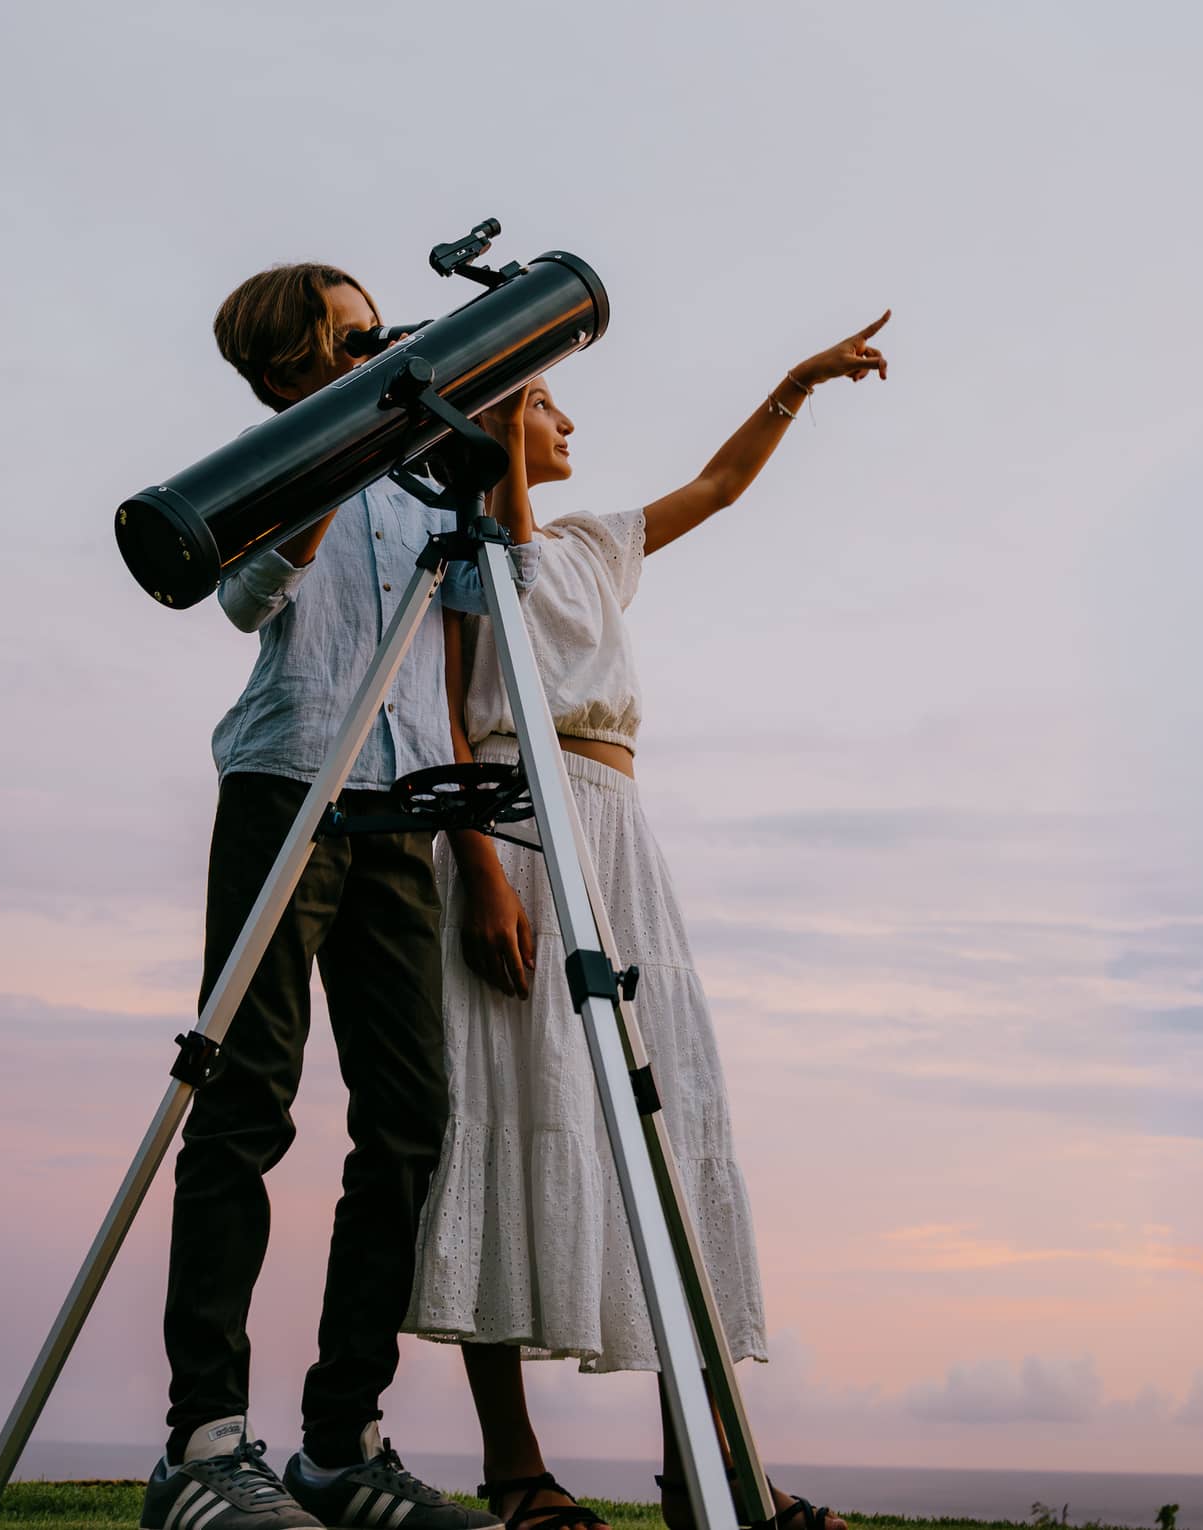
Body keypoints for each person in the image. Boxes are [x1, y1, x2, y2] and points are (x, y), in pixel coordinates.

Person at [405, 314, 892, 1530]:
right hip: (517, 818)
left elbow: (719, 489)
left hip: (621, 826)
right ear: (507, 418)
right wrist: (482, 871)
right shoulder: (468, 558)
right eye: (548, 408)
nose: (572, 425)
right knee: (511, 1115)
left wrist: (795, 384)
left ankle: (710, 1469)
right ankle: (518, 1471)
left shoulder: (592, 544)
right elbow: (455, 718)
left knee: (659, 1127)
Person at [141, 262, 541, 1530]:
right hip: (285, 785)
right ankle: (204, 1445)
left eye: (382, 330)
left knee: (411, 1118)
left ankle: (341, 1441)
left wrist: (492, 454)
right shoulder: (271, 462)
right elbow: (246, 599)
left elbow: (501, 602)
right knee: (246, 1102)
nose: (382, 346)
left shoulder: (426, 460)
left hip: (399, 808)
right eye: (355, 335)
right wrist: (332, 468)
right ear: (287, 367)